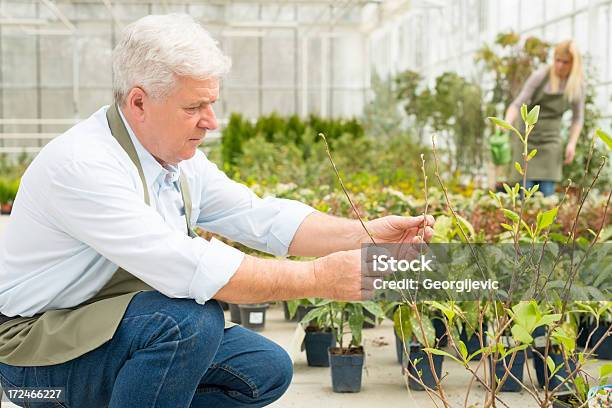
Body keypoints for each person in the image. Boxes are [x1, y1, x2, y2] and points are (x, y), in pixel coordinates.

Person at [0, 14, 434, 407]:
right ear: (139, 103)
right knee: (188, 322)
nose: (211, 121)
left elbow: (260, 217)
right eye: (194, 107)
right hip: (34, 354)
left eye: (211, 104)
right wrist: (320, 278)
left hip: (106, 330)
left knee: (262, 369)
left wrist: (364, 234)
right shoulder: (84, 166)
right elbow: (190, 268)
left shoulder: (172, 160)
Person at [503, 39, 585, 196]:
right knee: (525, 194)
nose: (560, 65)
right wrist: (506, 123)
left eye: (565, 62)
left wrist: (572, 144)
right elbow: (517, 104)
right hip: (527, 140)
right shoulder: (540, 76)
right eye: (557, 60)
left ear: (574, 64)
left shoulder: (577, 85)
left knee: (547, 195)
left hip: (551, 143)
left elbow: (578, 118)